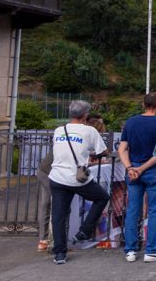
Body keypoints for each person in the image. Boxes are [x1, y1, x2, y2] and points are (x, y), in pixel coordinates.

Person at [47, 100, 109, 265]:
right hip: (77, 178)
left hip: (57, 177)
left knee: (59, 216)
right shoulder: (89, 131)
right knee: (102, 197)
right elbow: (103, 151)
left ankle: (60, 253)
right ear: (85, 115)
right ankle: (85, 231)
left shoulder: (59, 130)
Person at [117, 91, 156, 263]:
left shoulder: (131, 122)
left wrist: (130, 167)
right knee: (154, 210)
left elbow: (122, 149)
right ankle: (151, 250)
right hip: (152, 171)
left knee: (133, 210)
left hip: (133, 171)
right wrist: (142, 168)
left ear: (143, 104)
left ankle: (130, 250)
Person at [35, 147, 53, 251]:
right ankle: (52, 240)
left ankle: (44, 240)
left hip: (45, 170)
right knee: (57, 203)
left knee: (45, 204)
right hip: (47, 172)